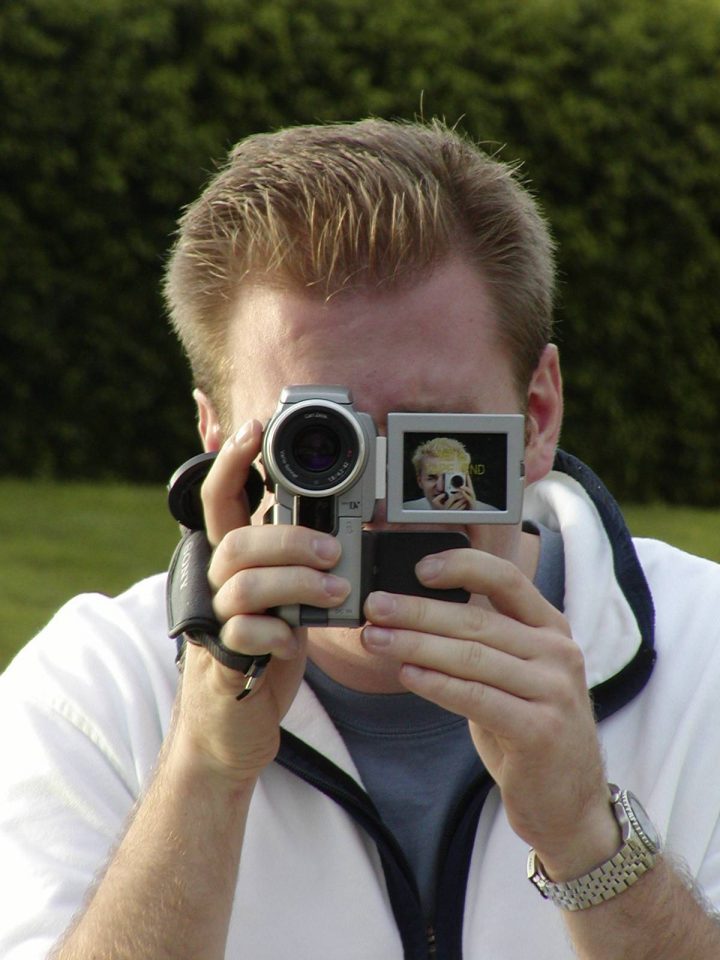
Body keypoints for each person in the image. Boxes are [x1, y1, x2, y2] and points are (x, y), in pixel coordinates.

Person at [1, 118, 720, 960]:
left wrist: (588, 839)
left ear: (536, 416)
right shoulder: (95, 694)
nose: (379, 507)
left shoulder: (706, 661)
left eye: (436, 442)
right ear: (217, 440)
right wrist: (203, 768)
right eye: (320, 445)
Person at [404, 436, 497, 510]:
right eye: (431, 478)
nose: (440, 488)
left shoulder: (491, 512)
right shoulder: (405, 509)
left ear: (465, 479)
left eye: (449, 477)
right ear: (420, 481)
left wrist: (472, 517)